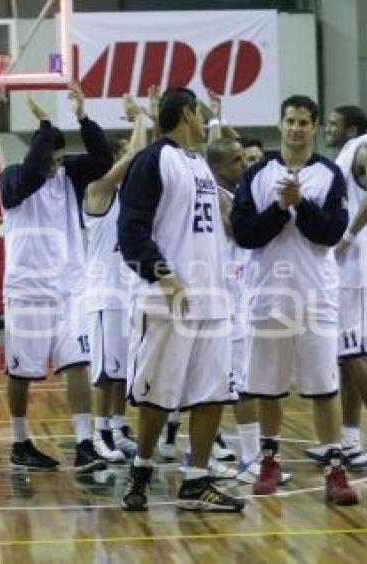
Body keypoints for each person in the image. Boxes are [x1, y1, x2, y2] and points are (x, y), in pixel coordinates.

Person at [118, 87, 244, 512]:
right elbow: (131, 231)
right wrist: (165, 277)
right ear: (187, 114)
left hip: (212, 300)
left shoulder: (202, 166)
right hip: (167, 298)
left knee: (213, 392)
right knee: (157, 394)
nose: (205, 118)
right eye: (200, 112)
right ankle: (142, 466)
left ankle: (197, 480)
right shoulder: (153, 160)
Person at [230, 94, 358, 505]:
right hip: (267, 295)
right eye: (290, 120)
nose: (296, 128)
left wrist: (299, 204)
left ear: (315, 126)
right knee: (267, 388)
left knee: (323, 387)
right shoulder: (258, 174)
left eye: (304, 122)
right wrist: (280, 209)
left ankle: (336, 469)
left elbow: (331, 233)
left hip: (316, 295)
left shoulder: (329, 175)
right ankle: (269, 460)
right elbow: (245, 234)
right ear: (280, 123)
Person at [0, 83, 112, 473]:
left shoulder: (67, 175)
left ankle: (84, 441)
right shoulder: (13, 177)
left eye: (61, 156)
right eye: (51, 154)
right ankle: (20, 441)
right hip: (27, 291)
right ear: (39, 149)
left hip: (69, 288)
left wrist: (83, 116)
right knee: (22, 371)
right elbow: (31, 173)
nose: (57, 163)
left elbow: (102, 158)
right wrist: (45, 123)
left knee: (78, 362)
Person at [303, 105, 367, 467]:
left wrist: (348, 234)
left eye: (333, 124)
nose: (327, 129)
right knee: (345, 358)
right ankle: (348, 437)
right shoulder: (346, 157)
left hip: (359, 271)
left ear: (352, 127)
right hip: (346, 271)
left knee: (354, 354)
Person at [205, 137, 292, 485]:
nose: (246, 165)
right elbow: (239, 232)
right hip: (227, 301)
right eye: (238, 160)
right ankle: (250, 459)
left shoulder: (227, 193)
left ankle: (221, 454)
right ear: (218, 168)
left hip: (234, 298)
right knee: (244, 386)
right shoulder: (218, 196)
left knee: (232, 385)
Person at [83, 94, 150, 462]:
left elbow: (147, 157)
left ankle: (117, 427)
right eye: (124, 155)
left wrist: (146, 117)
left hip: (128, 293)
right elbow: (138, 153)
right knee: (104, 372)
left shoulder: (132, 196)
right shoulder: (97, 191)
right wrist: (140, 118)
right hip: (103, 295)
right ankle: (98, 434)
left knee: (123, 369)